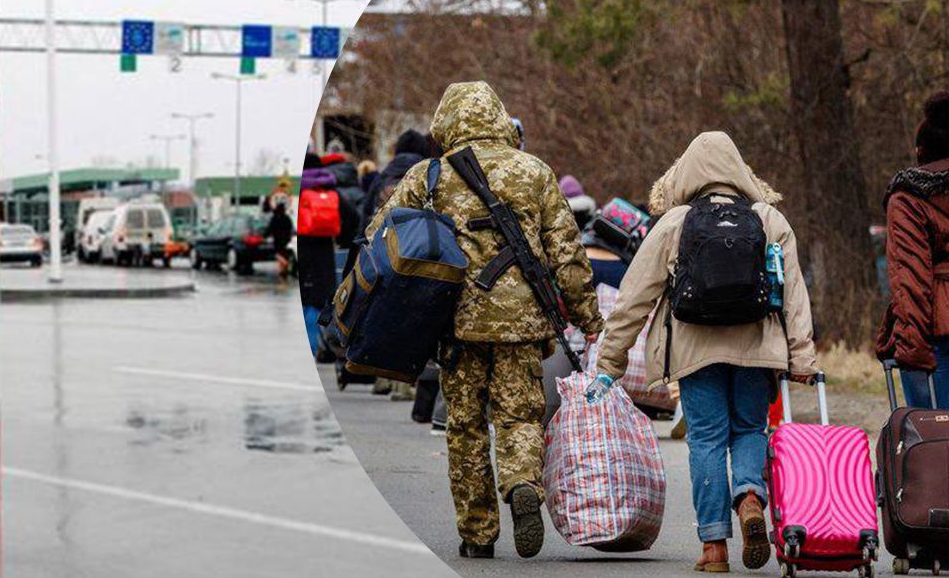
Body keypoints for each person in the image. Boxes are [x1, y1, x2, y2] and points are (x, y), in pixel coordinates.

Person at [366, 81, 604, 560]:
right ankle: (522, 484)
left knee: (466, 425)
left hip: (454, 322)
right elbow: (567, 254)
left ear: (446, 122)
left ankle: (477, 532)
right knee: (519, 415)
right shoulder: (534, 172)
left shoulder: (428, 176)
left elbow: (380, 235)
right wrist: (588, 316)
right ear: (498, 117)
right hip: (521, 324)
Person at [589, 132, 818, 573]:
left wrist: (610, 362)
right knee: (750, 428)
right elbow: (794, 296)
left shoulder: (675, 223)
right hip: (757, 347)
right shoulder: (769, 219)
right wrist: (802, 357)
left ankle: (714, 548)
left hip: (695, 349)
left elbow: (633, 299)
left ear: (687, 172)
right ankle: (749, 496)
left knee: (707, 438)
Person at [877, 91, 949, 408]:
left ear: (922, 152)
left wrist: (913, 350)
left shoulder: (909, 199)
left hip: (937, 334)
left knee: (933, 431)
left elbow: (911, 279)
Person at [298, 152, 340, 358]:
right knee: (321, 301)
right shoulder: (330, 188)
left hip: (302, 251)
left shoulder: (297, 191)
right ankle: (320, 346)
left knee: (305, 301)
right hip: (324, 254)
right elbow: (351, 218)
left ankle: (310, 347)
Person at [264, 202, 294, 280]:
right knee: (284, 254)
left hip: (277, 239)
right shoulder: (287, 218)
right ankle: (282, 271)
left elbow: (270, 229)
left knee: (277, 254)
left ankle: (285, 265)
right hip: (286, 240)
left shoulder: (275, 218)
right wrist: (289, 237)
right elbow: (290, 228)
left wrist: (264, 236)